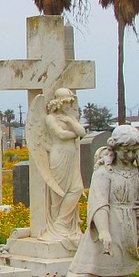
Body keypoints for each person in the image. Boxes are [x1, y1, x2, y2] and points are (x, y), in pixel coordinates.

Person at [44, 124, 139, 277]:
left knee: (120, 272)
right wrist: (103, 231)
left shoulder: (134, 172)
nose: (130, 156)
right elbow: (99, 203)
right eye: (125, 151)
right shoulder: (104, 173)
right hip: (109, 226)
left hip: (127, 225)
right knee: (108, 274)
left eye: (134, 151)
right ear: (115, 149)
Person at [40, 88, 88, 249]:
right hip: (58, 155)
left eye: (71, 103)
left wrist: (71, 121)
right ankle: (56, 226)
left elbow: (83, 131)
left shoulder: (70, 118)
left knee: (76, 188)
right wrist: (75, 133)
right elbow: (60, 135)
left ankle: (63, 223)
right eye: (66, 103)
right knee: (59, 191)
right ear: (58, 103)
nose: (69, 105)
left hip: (72, 156)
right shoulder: (50, 118)